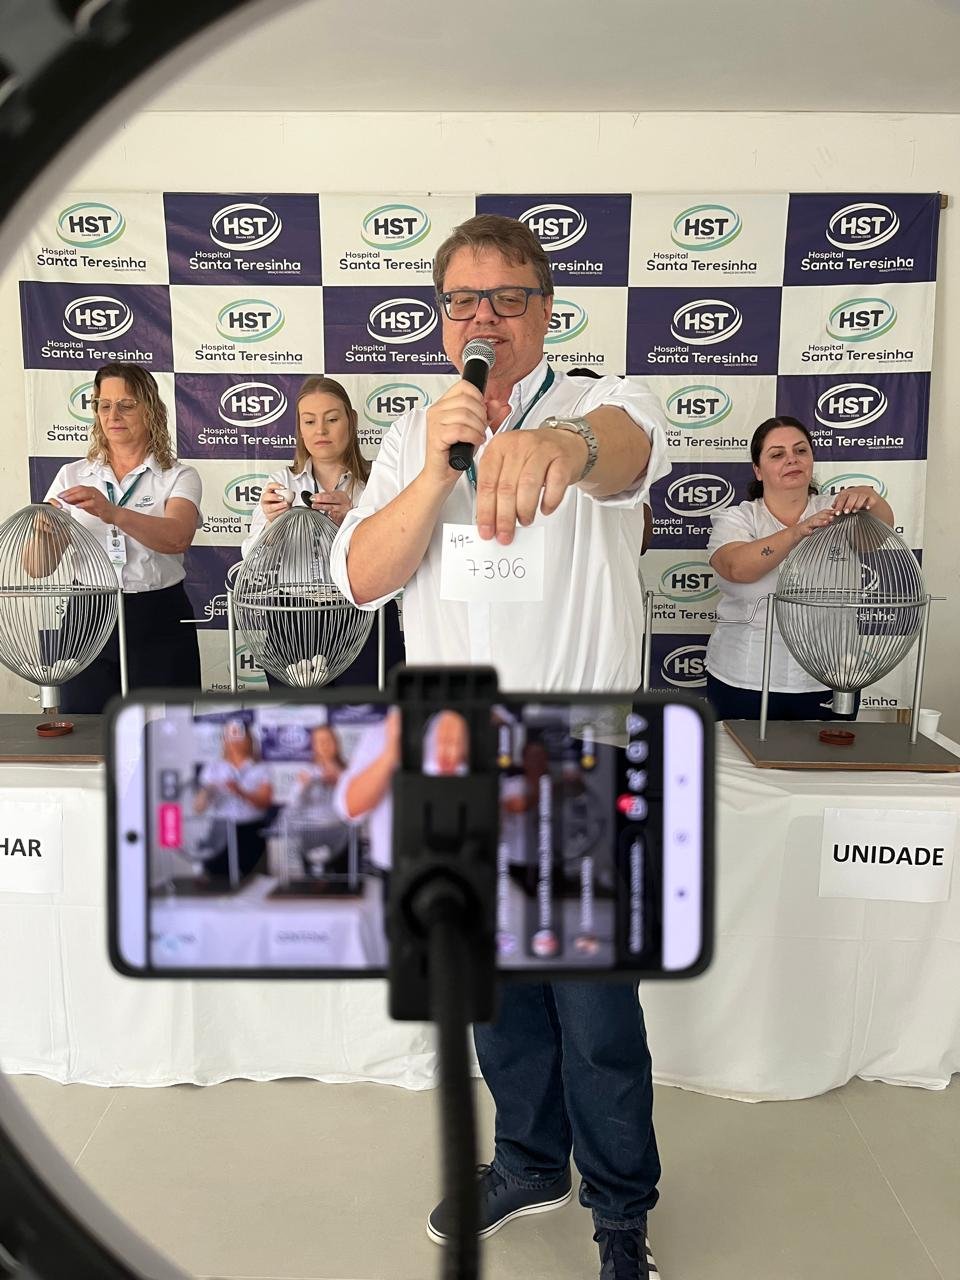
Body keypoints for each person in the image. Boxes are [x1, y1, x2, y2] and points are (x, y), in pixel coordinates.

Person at [331, 214, 669, 1280]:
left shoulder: (603, 400)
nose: (486, 319)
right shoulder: (410, 436)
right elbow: (361, 576)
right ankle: (528, 1161)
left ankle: (621, 1210)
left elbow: (624, 449)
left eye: (508, 298)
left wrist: (564, 446)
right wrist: (439, 471)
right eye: (464, 302)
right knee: (498, 995)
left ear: (545, 311)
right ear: (443, 320)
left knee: (595, 1007)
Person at [30, 362, 202, 713]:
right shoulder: (72, 475)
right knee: (87, 729)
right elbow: (37, 568)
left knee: (166, 731)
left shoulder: (178, 475)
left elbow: (177, 538)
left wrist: (112, 513)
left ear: (150, 410)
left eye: (126, 405)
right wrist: (43, 533)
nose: (113, 415)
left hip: (157, 615)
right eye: (103, 405)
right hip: (89, 615)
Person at [705, 414, 895, 721]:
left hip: (829, 676)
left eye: (800, 450)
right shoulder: (737, 518)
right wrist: (797, 532)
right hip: (745, 676)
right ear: (758, 470)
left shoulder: (839, 511)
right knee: (738, 753)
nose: (791, 459)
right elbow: (736, 567)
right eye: (777, 454)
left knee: (827, 754)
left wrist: (872, 499)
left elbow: (877, 534)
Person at [240, 375, 403, 688]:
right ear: (300, 429)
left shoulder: (378, 482)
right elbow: (251, 560)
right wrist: (273, 526)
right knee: (298, 716)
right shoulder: (280, 483)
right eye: (309, 421)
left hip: (364, 616)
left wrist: (351, 523)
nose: (321, 431)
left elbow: (398, 554)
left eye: (332, 419)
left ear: (351, 421)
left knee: (369, 713)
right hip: (293, 620)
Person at [192, 719, 273, 883]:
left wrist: (240, 792)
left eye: (239, 735)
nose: (235, 740)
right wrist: (208, 791)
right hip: (221, 830)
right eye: (230, 736)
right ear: (224, 740)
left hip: (251, 831)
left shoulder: (261, 768)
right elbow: (198, 808)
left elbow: (265, 802)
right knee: (217, 879)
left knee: (253, 880)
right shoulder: (213, 768)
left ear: (249, 739)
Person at [283, 725, 350, 880]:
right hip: (311, 836)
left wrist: (340, 782)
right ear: (314, 746)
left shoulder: (348, 771)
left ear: (336, 743)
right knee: (313, 884)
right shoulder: (306, 771)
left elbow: (357, 805)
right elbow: (293, 806)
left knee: (342, 884)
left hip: (342, 836)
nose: (324, 745)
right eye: (319, 741)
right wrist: (303, 786)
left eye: (328, 740)